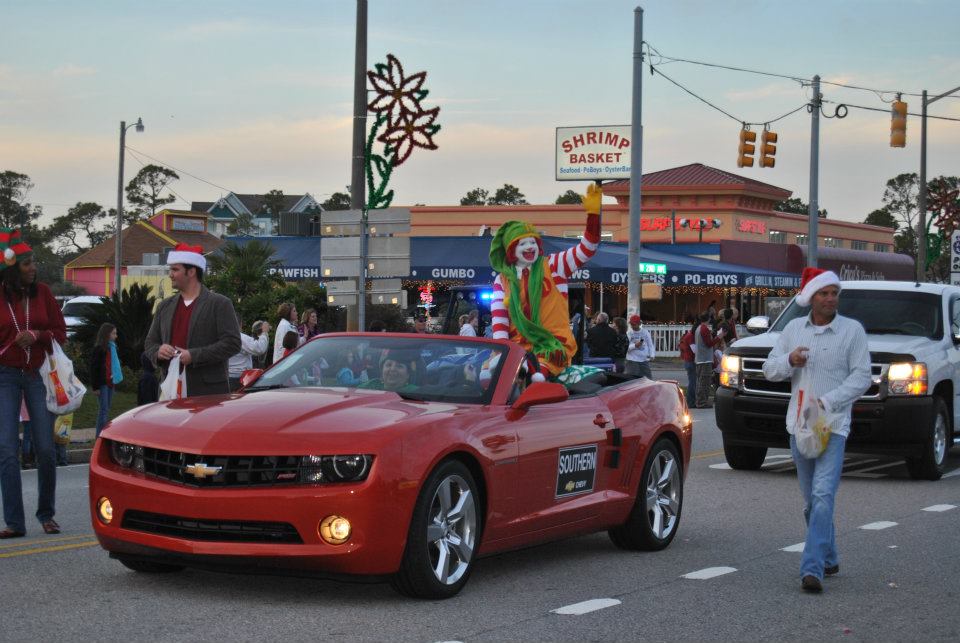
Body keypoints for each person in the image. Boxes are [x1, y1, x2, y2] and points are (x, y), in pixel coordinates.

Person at [762, 268, 871, 594]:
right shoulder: (795, 329)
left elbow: (862, 377)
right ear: (811, 297)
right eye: (824, 293)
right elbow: (770, 368)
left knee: (824, 496)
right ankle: (830, 556)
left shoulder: (851, 331)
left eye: (834, 293)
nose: (830, 299)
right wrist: (789, 361)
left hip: (833, 426)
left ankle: (812, 570)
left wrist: (828, 402)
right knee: (812, 502)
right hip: (800, 426)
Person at [489, 184, 602, 380]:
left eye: (533, 241)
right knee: (486, 376)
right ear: (511, 250)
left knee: (537, 376)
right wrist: (500, 353)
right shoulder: (502, 279)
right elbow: (499, 322)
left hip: (551, 345)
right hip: (516, 348)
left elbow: (587, 249)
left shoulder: (554, 265)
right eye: (523, 243)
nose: (530, 246)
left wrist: (593, 216)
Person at [0, 227, 67, 538]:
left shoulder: (43, 293)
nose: (33, 268)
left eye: (33, 262)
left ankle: (46, 513)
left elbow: (60, 333)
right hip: (5, 377)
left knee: (45, 447)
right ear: (12, 267)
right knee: (7, 449)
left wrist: (38, 335)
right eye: (26, 263)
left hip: (38, 375)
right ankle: (14, 522)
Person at [144, 243, 241, 398]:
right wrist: (158, 351)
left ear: (191, 271)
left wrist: (194, 355)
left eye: (175, 269)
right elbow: (150, 343)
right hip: (169, 390)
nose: (170, 274)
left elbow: (233, 343)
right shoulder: (164, 306)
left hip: (206, 394)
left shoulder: (220, 304)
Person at [89, 322, 122, 437]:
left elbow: (113, 366)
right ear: (107, 334)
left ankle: (102, 434)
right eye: (114, 333)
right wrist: (95, 387)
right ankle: (100, 435)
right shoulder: (99, 349)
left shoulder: (112, 348)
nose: (116, 336)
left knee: (106, 409)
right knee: (103, 410)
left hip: (109, 383)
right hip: (102, 383)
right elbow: (94, 368)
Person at [228, 319, 271, 391]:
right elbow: (259, 348)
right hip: (239, 379)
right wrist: (264, 332)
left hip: (228, 377)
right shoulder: (239, 337)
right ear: (240, 324)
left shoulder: (223, 337)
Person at [693, 312, 725, 408]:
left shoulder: (699, 328)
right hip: (705, 359)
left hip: (700, 358)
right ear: (708, 319)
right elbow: (709, 343)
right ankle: (702, 402)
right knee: (705, 382)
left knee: (700, 381)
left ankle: (699, 401)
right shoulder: (704, 329)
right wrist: (718, 337)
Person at [624, 314, 655, 379]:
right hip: (632, 360)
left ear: (639, 324)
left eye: (634, 324)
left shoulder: (645, 332)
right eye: (631, 324)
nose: (632, 326)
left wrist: (652, 355)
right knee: (632, 380)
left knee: (648, 379)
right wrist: (635, 345)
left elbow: (650, 344)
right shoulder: (629, 333)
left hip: (643, 360)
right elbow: (625, 348)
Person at [677, 318, 698, 404]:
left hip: (688, 360)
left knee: (692, 381)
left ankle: (691, 400)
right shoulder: (691, 337)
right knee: (692, 382)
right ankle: (690, 401)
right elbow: (694, 350)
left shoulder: (689, 335)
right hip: (690, 361)